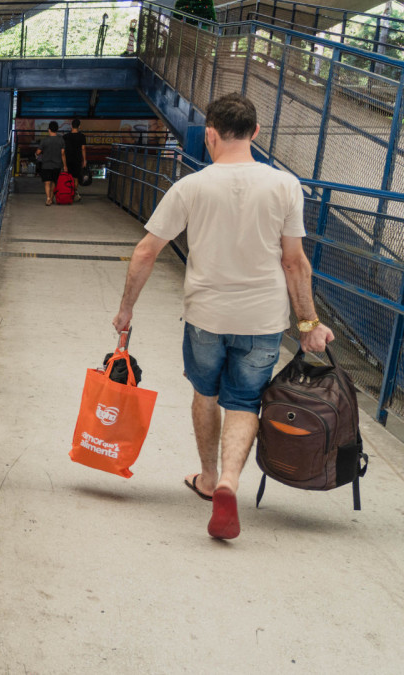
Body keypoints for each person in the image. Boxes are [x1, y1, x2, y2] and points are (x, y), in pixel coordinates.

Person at [112, 93, 334, 540]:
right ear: (255, 133)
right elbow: (295, 263)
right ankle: (231, 481)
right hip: (263, 320)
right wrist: (309, 324)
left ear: (209, 133)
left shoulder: (190, 186)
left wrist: (126, 309)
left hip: (206, 317)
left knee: (205, 393)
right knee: (246, 401)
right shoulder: (285, 185)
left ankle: (209, 478)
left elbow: (145, 252)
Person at [35, 120, 67, 206]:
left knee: (47, 182)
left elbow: (38, 152)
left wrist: (37, 153)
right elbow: (63, 153)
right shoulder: (61, 140)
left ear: (49, 129)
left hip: (46, 165)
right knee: (54, 182)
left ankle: (48, 198)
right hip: (57, 165)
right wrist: (65, 166)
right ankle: (51, 198)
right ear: (57, 129)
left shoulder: (44, 140)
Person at [63, 118, 88, 202]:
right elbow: (83, 149)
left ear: (71, 126)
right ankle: (73, 194)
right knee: (76, 178)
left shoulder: (66, 136)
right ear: (79, 126)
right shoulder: (82, 136)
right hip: (77, 159)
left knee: (67, 177)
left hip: (68, 159)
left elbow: (62, 150)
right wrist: (84, 160)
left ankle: (67, 193)